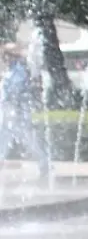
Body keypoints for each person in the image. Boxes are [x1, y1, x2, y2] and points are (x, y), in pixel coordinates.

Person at [0, 43, 50, 180]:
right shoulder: (12, 70)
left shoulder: (19, 71)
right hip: (9, 113)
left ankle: (44, 163)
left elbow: (16, 92)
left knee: (28, 140)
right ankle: (44, 163)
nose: (4, 58)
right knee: (4, 140)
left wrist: (13, 107)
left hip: (16, 113)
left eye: (6, 55)